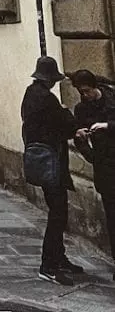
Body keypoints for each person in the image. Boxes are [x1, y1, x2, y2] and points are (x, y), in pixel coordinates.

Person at [21, 55, 82, 286]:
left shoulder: (30, 94)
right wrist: (66, 111)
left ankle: (59, 257)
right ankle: (48, 265)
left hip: (41, 158)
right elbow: (65, 126)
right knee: (58, 213)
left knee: (58, 210)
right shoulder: (47, 100)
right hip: (52, 160)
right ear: (50, 79)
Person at [71, 69, 115, 278]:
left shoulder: (112, 98)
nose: (84, 95)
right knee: (112, 215)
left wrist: (107, 126)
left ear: (94, 86)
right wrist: (91, 155)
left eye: (86, 91)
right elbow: (79, 139)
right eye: (81, 92)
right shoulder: (81, 109)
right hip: (105, 166)